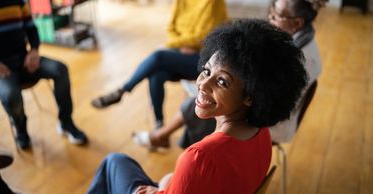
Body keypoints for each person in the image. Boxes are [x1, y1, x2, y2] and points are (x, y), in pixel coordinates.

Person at [87, 19, 307, 194]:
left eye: (222, 81)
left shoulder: (201, 157)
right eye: (207, 71)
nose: (202, 84)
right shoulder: (262, 134)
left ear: (250, 96)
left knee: (114, 162)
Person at [133, 0, 327, 150]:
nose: (270, 18)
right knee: (197, 94)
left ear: (297, 22)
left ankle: (168, 138)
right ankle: (169, 137)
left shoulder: (304, 59)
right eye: (271, 10)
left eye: (277, 15)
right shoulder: (299, 42)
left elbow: (273, 100)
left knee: (204, 102)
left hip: (274, 120)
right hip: (265, 104)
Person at [91, 0, 228, 128]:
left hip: (205, 60)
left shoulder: (212, 2)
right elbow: (171, 28)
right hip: (180, 51)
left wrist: (173, 44)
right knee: (156, 74)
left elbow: (202, 37)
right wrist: (180, 46)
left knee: (158, 56)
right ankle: (159, 124)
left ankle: (122, 90)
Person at [0, 0, 88, 149]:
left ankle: (66, 122)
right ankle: (21, 130)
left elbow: (31, 29)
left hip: (23, 59)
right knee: (11, 93)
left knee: (60, 69)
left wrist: (34, 50)